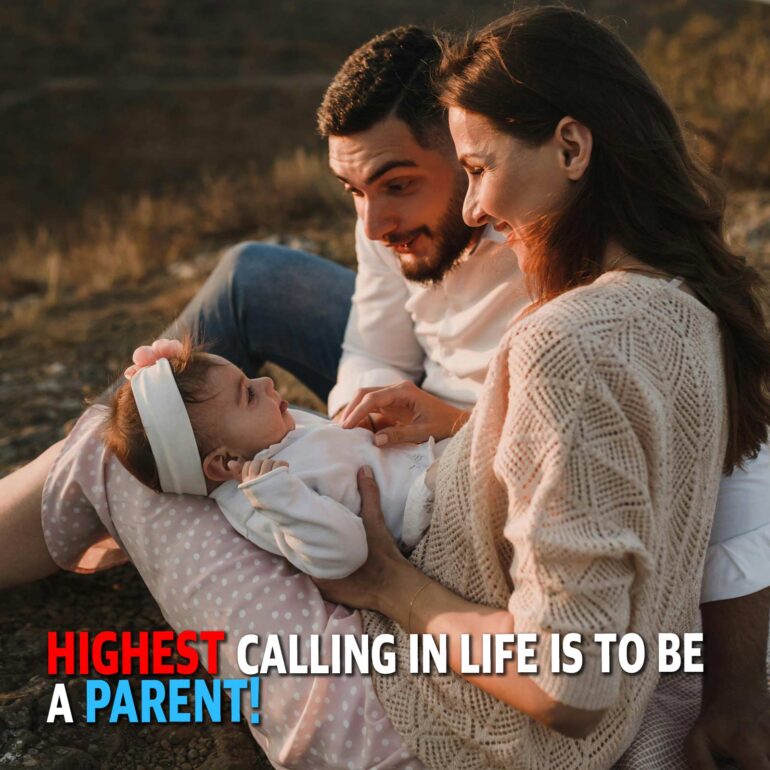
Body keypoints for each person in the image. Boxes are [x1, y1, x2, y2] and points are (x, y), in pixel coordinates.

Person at [0, 18, 768, 769]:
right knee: (234, 300)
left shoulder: (558, 342)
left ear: (572, 147)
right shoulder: (691, 311)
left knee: (108, 446)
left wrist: (387, 584)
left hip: (419, 715)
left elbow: (569, 679)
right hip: (511, 648)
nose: (473, 210)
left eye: (474, 171)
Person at [104, 337, 442, 578]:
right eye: (248, 394)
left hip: (426, 460)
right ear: (224, 463)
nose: (266, 380)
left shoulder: (273, 437)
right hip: (423, 510)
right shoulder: (260, 502)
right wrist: (280, 496)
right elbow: (346, 554)